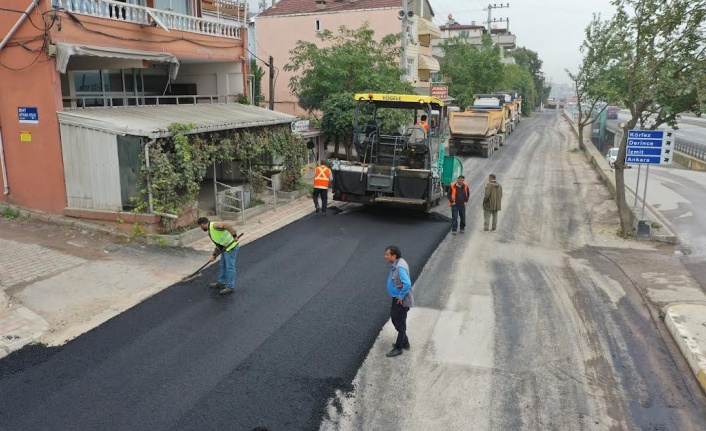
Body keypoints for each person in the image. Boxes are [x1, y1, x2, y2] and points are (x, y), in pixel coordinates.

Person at [198, 217, 240, 295]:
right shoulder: (210, 231)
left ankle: (231, 287)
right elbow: (218, 245)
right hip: (225, 248)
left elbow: (227, 225)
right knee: (223, 265)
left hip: (231, 247)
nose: (201, 228)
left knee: (230, 267)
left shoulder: (215, 226)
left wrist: (234, 236)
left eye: (200, 226)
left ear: (203, 224)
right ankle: (221, 283)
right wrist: (214, 255)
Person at [384, 245, 414, 358]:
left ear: (394, 256)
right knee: (396, 319)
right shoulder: (398, 262)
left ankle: (399, 347)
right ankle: (405, 342)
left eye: (387, 255)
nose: (385, 256)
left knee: (399, 322)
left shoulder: (400, 267)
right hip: (396, 298)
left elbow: (407, 283)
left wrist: (401, 296)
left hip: (400, 300)